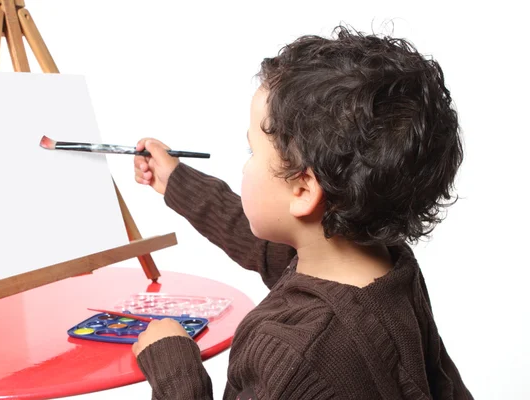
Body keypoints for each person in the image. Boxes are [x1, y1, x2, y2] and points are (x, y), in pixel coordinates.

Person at [130, 25, 473, 400]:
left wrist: (176, 369)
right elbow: (267, 245)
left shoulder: (292, 354)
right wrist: (176, 180)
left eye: (252, 152)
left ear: (303, 188)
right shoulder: (392, 275)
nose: (245, 166)